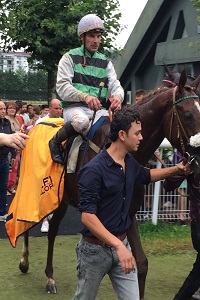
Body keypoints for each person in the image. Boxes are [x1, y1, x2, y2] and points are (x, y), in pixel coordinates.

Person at [72, 107, 191, 300]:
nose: (141, 138)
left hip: (122, 247)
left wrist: (177, 169)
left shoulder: (129, 161)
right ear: (121, 135)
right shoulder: (93, 170)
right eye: (137, 133)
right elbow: (87, 216)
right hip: (94, 252)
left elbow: (146, 175)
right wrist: (118, 246)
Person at [49, 14, 124, 165]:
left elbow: (115, 84)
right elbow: (62, 87)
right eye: (91, 36)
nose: (96, 40)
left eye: (98, 36)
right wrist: (85, 97)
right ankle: (55, 142)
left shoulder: (106, 62)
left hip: (100, 111)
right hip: (75, 109)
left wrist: (117, 97)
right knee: (82, 122)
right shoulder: (69, 57)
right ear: (82, 37)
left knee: (119, 126)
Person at [35, 98, 63, 233]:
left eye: (60, 109)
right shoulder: (40, 123)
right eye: (56, 108)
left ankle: (51, 213)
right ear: (50, 109)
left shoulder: (64, 123)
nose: (59, 111)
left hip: (57, 163)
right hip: (43, 161)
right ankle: (44, 220)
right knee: (44, 189)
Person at [0, 100, 16, 221]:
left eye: (4, 109)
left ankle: (2, 213)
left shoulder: (7, 123)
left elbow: (11, 139)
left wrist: (14, 155)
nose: (3, 111)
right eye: (1, 109)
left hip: (5, 159)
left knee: (3, 187)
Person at [5, 101, 21, 195]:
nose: (12, 110)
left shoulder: (16, 119)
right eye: (10, 108)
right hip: (9, 147)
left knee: (15, 167)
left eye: (14, 108)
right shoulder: (5, 120)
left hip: (17, 147)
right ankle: (6, 187)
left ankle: (11, 186)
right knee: (9, 167)